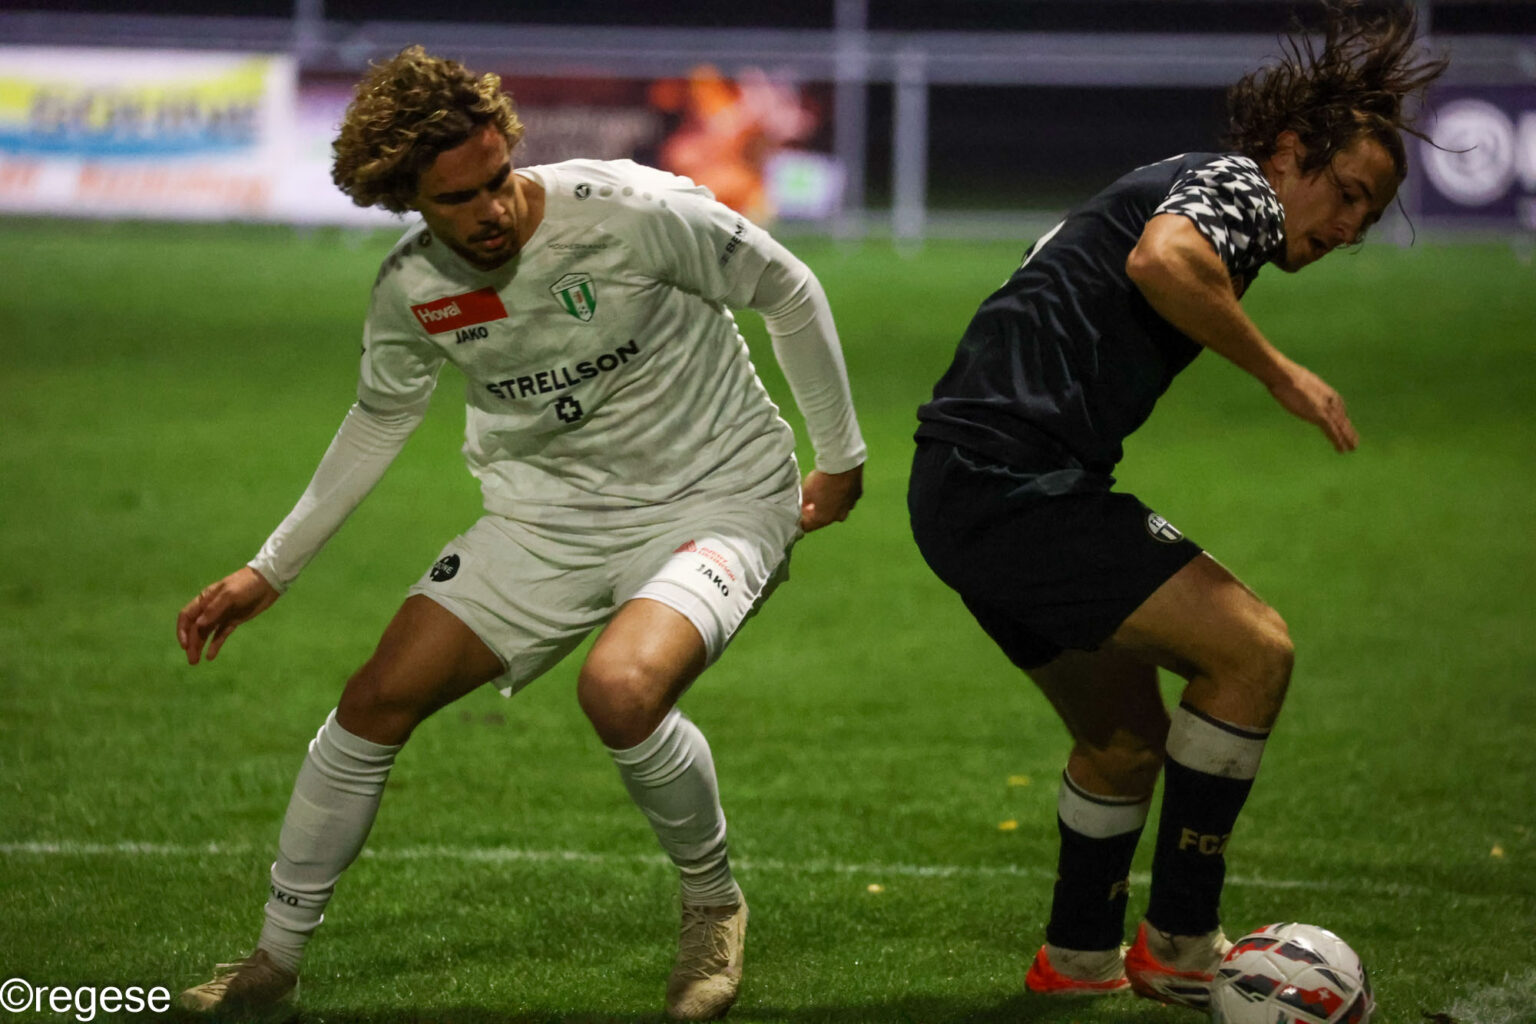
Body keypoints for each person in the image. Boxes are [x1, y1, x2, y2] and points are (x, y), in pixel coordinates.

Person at [176, 45, 865, 1021]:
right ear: (406, 200)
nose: (492, 210)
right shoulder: (414, 290)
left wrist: (840, 456)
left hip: (716, 495)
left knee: (621, 689)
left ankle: (713, 907)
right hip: (545, 517)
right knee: (373, 701)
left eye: (498, 178)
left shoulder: (631, 210)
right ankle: (272, 963)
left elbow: (787, 288)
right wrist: (270, 570)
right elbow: (379, 418)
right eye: (457, 199)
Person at [907, 1, 1444, 1007]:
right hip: (1014, 483)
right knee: (1254, 651)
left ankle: (1078, 961)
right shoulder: (1238, 186)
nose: (1347, 229)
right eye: (1346, 195)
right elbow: (1162, 262)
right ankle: (1184, 944)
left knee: (1122, 741)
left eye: (1367, 219)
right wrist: (1281, 371)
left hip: (965, 484)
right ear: (1291, 151)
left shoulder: (1196, 180)